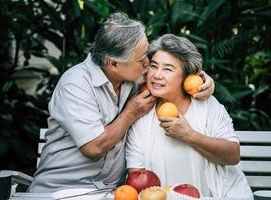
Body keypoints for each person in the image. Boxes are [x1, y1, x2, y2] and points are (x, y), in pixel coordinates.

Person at [28, 13, 214, 193]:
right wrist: (131, 112)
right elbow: (94, 148)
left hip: (113, 191)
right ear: (113, 64)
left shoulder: (131, 74)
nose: (148, 63)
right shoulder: (75, 84)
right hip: (61, 190)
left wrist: (204, 81)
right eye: (141, 59)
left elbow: (171, 76)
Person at [126, 34, 253, 199]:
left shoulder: (207, 106)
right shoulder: (142, 114)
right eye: (154, 66)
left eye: (168, 69)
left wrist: (188, 134)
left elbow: (233, 155)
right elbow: (137, 179)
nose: (157, 75)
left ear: (187, 76)